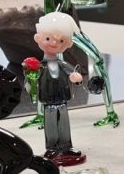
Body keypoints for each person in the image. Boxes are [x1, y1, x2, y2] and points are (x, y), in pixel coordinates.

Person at [32, 12, 86, 166]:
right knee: (50, 124)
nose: (54, 43)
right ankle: (52, 148)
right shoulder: (39, 67)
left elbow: (73, 75)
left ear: (67, 44)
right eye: (48, 39)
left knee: (64, 124)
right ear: (38, 38)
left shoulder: (63, 65)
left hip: (62, 100)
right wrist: (31, 79)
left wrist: (75, 77)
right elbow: (31, 82)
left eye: (61, 41)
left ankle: (66, 146)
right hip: (48, 101)